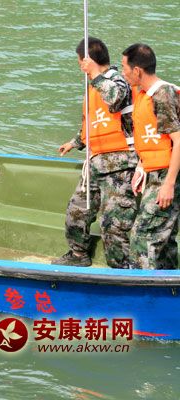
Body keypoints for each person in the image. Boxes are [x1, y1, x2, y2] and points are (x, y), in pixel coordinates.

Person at [52, 37, 137, 268]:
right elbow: (95, 122)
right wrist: (75, 142)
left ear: (86, 61)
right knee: (76, 212)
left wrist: (96, 75)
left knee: (114, 224)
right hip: (95, 162)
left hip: (120, 165)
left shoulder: (116, 79)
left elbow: (116, 99)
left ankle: (121, 270)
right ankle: (78, 254)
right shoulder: (92, 86)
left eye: (80, 61)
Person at [121, 43, 180, 269]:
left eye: (125, 68)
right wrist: (141, 166)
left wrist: (169, 184)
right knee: (165, 240)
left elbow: (178, 140)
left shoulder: (162, 94)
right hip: (155, 172)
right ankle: (169, 284)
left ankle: (141, 287)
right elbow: (153, 138)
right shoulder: (144, 95)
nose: (123, 73)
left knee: (141, 237)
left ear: (137, 70)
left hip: (166, 175)